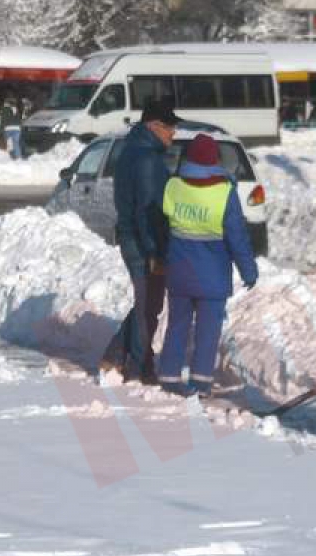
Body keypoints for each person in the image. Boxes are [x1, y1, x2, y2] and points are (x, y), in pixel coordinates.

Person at [158, 133, 258, 397]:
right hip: (211, 277)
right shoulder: (224, 192)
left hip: (178, 272)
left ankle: (168, 376)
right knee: (207, 331)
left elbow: (160, 226)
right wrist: (248, 270)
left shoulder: (173, 186)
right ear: (214, 159)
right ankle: (200, 382)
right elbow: (237, 236)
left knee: (177, 325)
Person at [103, 99, 180, 384]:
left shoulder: (133, 149)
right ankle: (140, 368)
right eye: (170, 127)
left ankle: (114, 355)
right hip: (142, 242)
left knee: (145, 303)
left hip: (132, 236)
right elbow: (147, 211)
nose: (174, 132)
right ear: (154, 126)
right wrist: (154, 251)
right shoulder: (147, 159)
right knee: (149, 306)